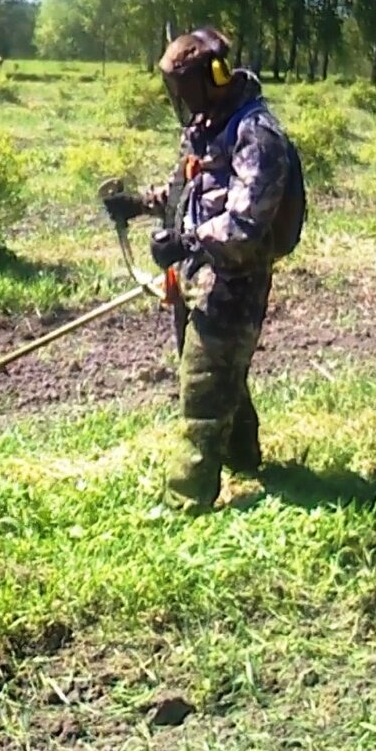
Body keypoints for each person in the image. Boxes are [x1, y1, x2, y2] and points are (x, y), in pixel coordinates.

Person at [100, 27, 301, 514]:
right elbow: (187, 190)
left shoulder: (257, 134)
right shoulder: (209, 126)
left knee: (204, 391)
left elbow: (246, 222)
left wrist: (187, 241)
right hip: (196, 276)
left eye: (182, 89)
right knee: (218, 372)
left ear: (211, 78)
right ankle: (244, 460)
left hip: (234, 281)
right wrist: (139, 204)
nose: (178, 100)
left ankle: (185, 502)